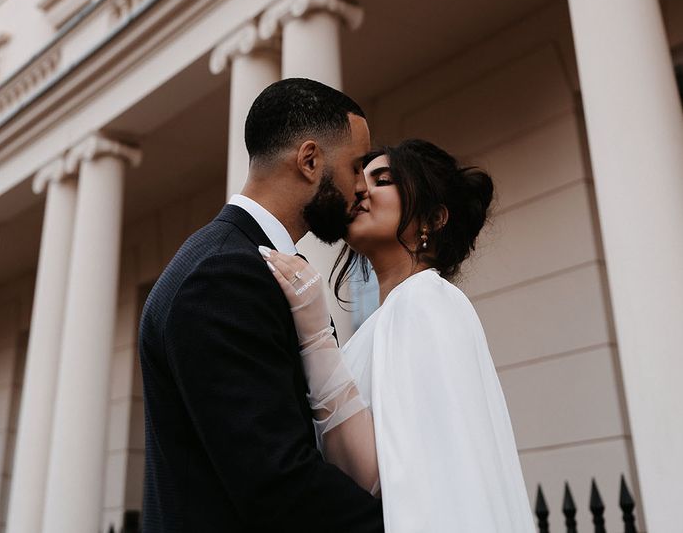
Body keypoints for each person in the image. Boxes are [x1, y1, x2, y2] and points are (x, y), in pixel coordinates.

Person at [139, 77, 385, 533]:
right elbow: (277, 482)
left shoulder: (234, 262)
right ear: (310, 161)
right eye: (356, 167)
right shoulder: (221, 277)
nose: (360, 188)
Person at [262, 138, 537, 532]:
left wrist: (316, 336)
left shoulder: (426, 301)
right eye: (361, 177)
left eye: (383, 180)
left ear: (434, 218)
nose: (361, 190)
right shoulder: (388, 318)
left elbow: (384, 478)